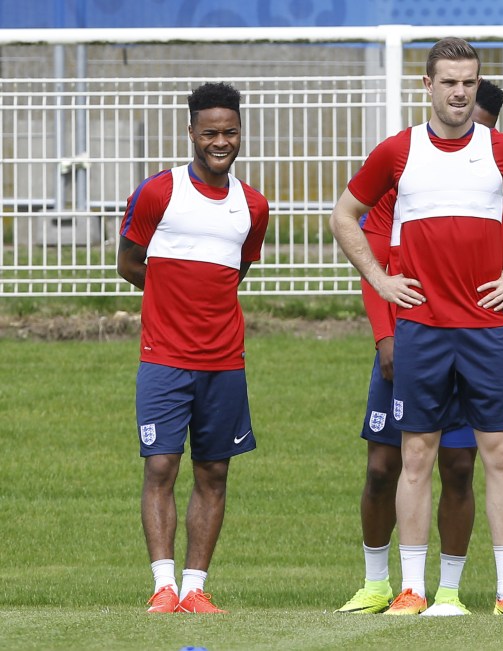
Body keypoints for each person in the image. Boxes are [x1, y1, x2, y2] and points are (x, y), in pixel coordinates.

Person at [330, 37, 503, 616]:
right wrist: (383, 283)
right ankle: (412, 589)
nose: (460, 92)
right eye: (449, 82)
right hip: (422, 329)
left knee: (500, 457)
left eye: (468, 81)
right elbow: (344, 216)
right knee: (415, 458)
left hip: (486, 331)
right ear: (428, 86)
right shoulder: (397, 151)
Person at [117, 82, 270, 614]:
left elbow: (236, 272)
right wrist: (169, 300)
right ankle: (162, 586)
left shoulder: (253, 205)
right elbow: (129, 262)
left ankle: (194, 587)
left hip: (225, 363)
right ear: (191, 133)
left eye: (229, 132)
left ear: (239, 135)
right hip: (163, 359)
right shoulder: (159, 192)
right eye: (210, 132)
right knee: (161, 466)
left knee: (214, 472)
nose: (220, 141)